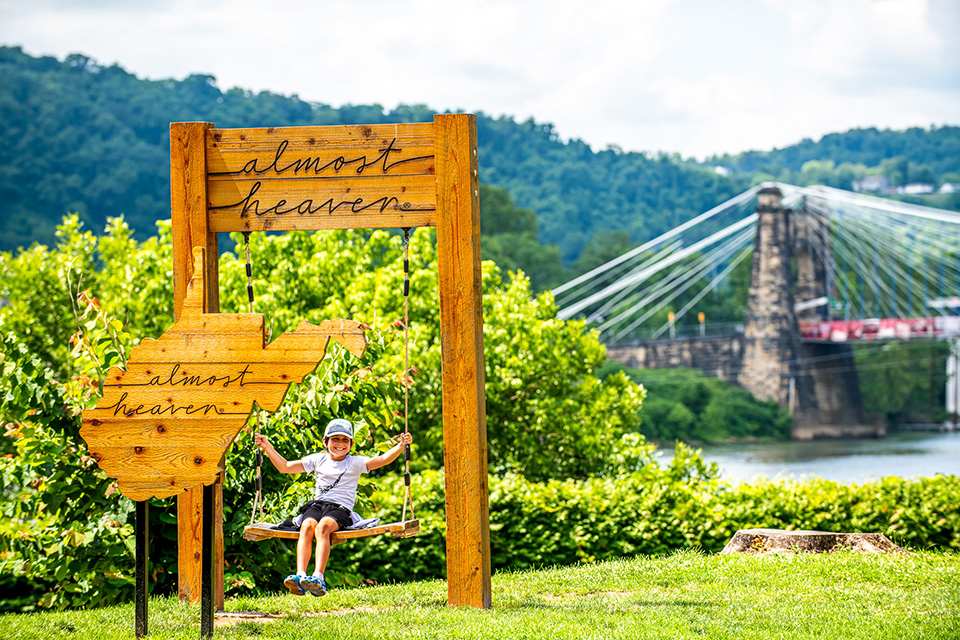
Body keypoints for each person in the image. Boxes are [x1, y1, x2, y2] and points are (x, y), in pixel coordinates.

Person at [255, 418, 413, 597]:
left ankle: (318, 577)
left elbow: (382, 460)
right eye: (335, 439)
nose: (340, 444)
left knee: (323, 528)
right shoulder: (318, 460)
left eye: (345, 440)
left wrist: (401, 446)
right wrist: (266, 446)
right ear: (325, 441)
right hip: (317, 505)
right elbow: (285, 467)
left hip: (340, 509)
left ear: (351, 444)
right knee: (306, 527)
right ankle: (300, 576)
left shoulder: (354, 463)